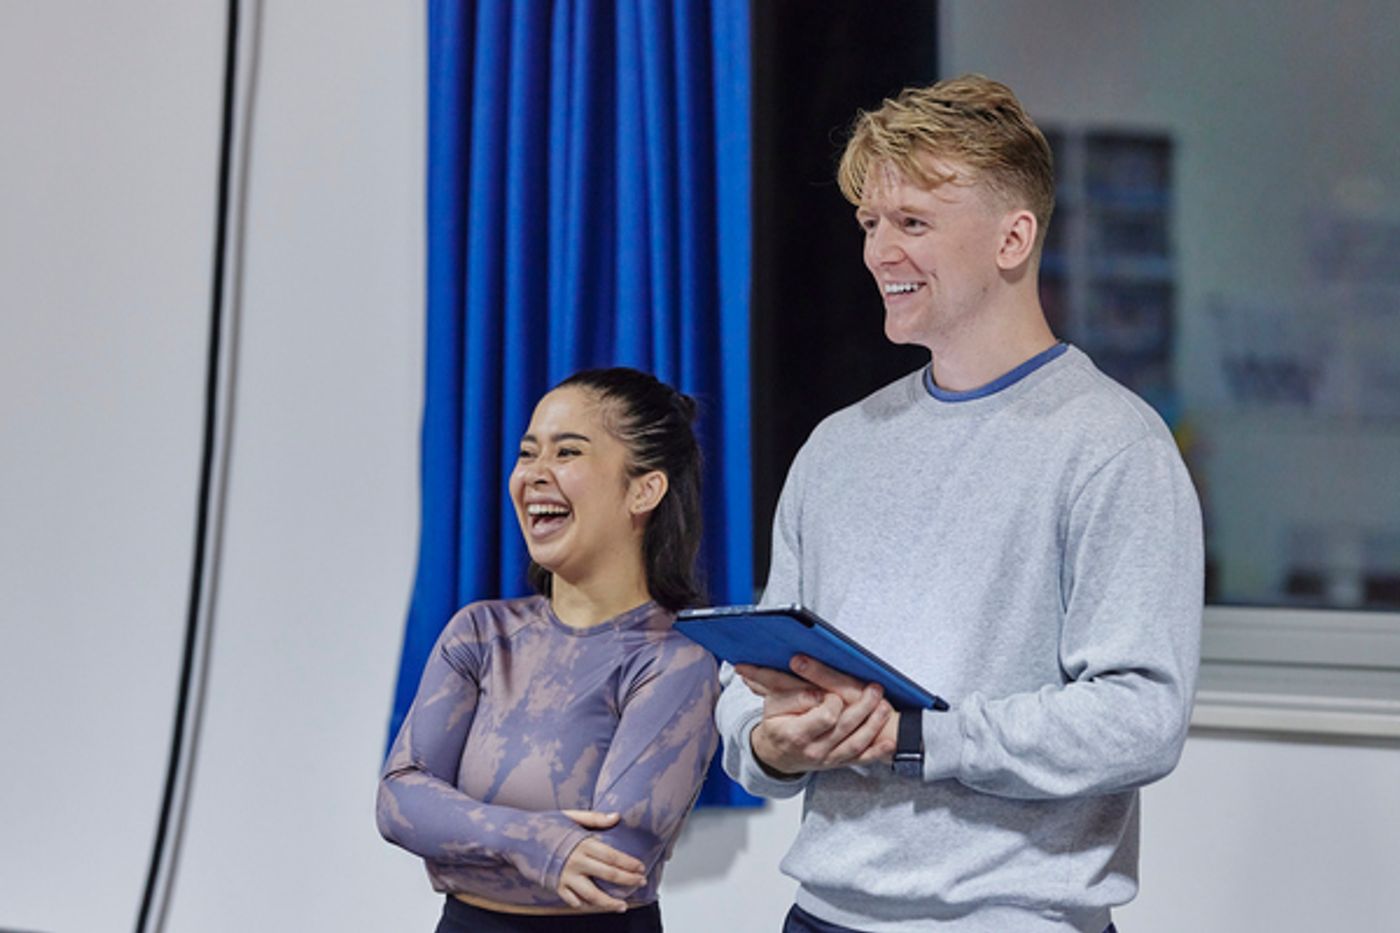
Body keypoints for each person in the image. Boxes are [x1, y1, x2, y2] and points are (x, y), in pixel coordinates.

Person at [716, 74, 1203, 933]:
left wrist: (914, 738)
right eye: (870, 223)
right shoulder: (838, 447)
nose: (877, 252)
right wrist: (765, 742)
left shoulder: (1113, 446)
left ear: (1014, 238)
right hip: (821, 914)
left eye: (912, 223)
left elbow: (1140, 718)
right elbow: (748, 682)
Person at [379, 368, 720, 933]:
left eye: (567, 452)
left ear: (644, 490)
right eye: (527, 453)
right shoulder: (480, 633)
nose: (534, 475)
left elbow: (611, 866)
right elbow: (398, 800)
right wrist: (533, 839)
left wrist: (457, 836)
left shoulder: (675, 658)